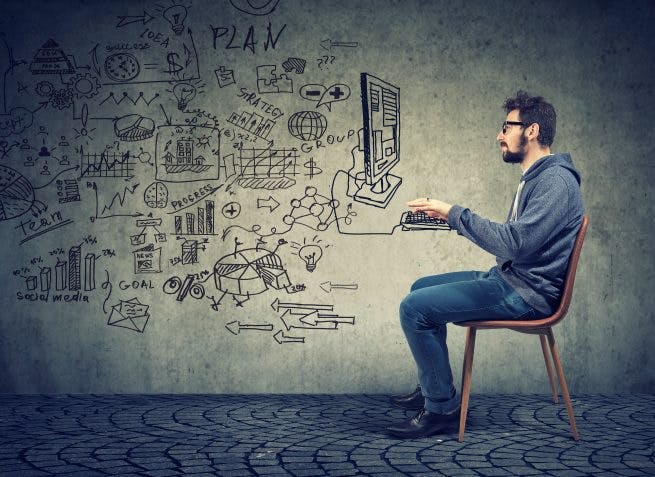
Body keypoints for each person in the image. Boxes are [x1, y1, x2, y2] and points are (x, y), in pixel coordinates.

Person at [386, 91, 585, 438]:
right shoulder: (537, 177)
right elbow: (515, 245)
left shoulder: (555, 182)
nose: (499, 135)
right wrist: (449, 218)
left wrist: (454, 213)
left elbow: (514, 243)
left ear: (532, 130)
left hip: (526, 295)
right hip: (512, 279)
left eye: (508, 126)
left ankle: (442, 409)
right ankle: (435, 385)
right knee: (421, 289)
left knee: (413, 309)